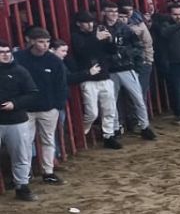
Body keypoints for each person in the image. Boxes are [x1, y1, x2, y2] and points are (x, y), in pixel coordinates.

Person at [17, 26, 66, 185]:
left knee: (48, 140)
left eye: (47, 42)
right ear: (30, 41)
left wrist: (57, 105)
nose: (44, 45)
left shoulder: (53, 60)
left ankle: (48, 171)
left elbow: (61, 84)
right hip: (27, 108)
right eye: (40, 42)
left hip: (48, 107)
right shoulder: (18, 58)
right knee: (25, 142)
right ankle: (26, 173)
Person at [68, 10, 122, 150]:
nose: (90, 25)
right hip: (88, 77)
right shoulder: (76, 36)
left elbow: (112, 51)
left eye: (91, 21)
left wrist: (110, 40)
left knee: (109, 108)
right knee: (92, 112)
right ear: (79, 24)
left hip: (104, 75)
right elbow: (81, 52)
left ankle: (108, 135)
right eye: (86, 22)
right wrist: (96, 39)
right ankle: (82, 132)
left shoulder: (97, 33)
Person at [102, 6, 155, 140]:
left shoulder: (125, 29)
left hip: (126, 67)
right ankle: (115, 129)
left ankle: (144, 126)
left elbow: (138, 47)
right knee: (112, 101)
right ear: (104, 13)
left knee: (137, 98)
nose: (114, 14)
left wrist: (132, 61)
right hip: (111, 70)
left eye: (115, 12)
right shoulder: (101, 29)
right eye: (111, 12)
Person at [0, 40, 37, 200]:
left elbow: (33, 93)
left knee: (21, 155)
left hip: (16, 119)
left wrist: (15, 104)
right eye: (2, 52)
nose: (6, 55)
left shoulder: (20, 71)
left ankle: (22, 186)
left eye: (8, 51)